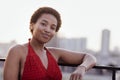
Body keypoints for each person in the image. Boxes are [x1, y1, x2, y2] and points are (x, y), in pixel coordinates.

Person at [3, 6, 96, 80]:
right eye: (43, 24)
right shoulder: (17, 51)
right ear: (32, 25)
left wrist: (82, 68)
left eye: (52, 28)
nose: (47, 30)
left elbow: (90, 57)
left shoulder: (54, 53)